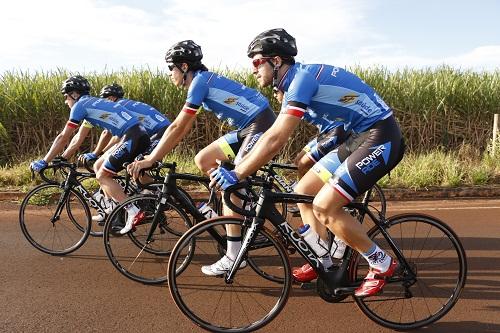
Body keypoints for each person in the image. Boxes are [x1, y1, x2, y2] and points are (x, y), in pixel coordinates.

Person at [210, 28, 405, 298]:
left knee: (324, 206)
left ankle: (381, 263)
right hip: (355, 136)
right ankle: (322, 257)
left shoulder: (300, 80)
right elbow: (272, 134)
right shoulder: (294, 82)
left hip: (380, 136)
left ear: (276, 61)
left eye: (256, 62)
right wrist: (241, 167)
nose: (254, 70)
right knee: (303, 191)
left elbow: (277, 137)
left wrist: (239, 172)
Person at [126, 40, 276, 265]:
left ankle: (235, 254)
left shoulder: (199, 83)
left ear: (184, 67)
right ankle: (243, 207)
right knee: (203, 159)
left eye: (171, 68)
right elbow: (180, 128)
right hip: (247, 128)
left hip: (260, 124)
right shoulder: (201, 81)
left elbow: (179, 126)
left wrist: (151, 158)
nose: (169, 74)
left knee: (230, 186)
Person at [30, 75, 151, 230]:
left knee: (102, 175)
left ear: (74, 94)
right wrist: (63, 157)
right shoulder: (93, 103)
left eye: (66, 97)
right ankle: (112, 207)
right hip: (135, 135)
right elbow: (75, 140)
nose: (65, 101)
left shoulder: (79, 106)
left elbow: (63, 136)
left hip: (132, 136)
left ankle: (133, 211)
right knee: (99, 165)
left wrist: (45, 161)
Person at [61, 83, 171, 222]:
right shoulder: (101, 107)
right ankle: (118, 206)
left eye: (105, 98)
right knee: (121, 167)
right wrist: (102, 154)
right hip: (147, 134)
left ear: (112, 98)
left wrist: (96, 153)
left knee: (139, 167)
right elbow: (113, 137)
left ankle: (162, 197)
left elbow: (110, 135)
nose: (102, 102)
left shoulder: (119, 105)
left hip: (160, 133)